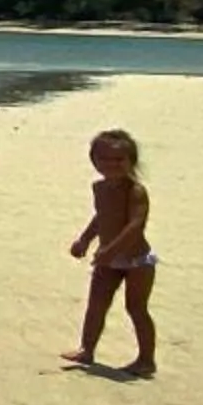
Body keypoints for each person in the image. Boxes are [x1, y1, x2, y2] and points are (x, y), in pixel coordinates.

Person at [63, 127, 156, 378]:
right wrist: (84, 239)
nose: (111, 165)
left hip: (137, 260)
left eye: (119, 160)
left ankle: (146, 360)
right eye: (104, 159)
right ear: (94, 160)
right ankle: (87, 349)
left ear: (131, 161)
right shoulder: (100, 188)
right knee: (96, 304)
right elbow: (101, 217)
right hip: (108, 259)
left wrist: (110, 250)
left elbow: (135, 225)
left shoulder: (135, 191)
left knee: (136, 308)